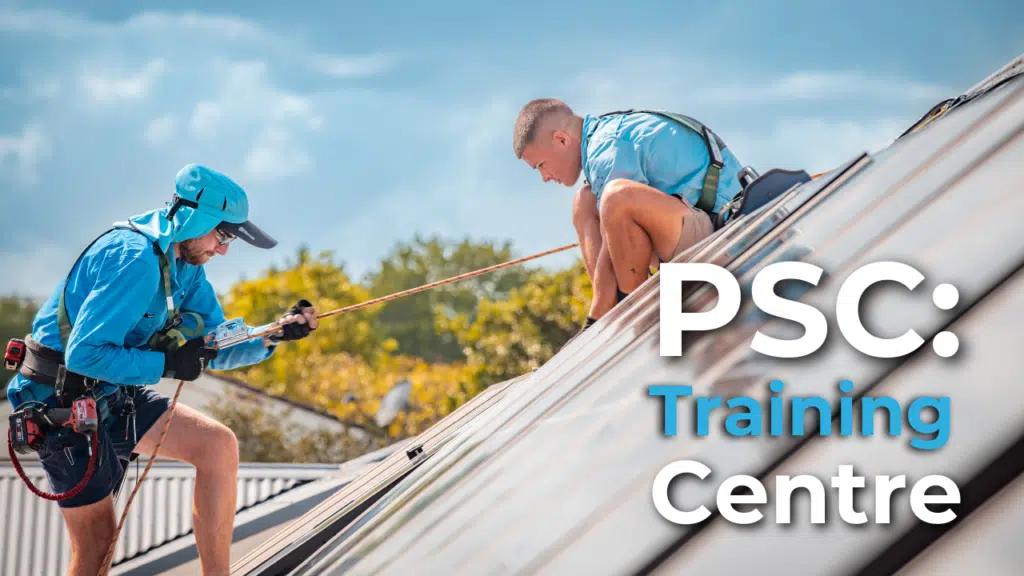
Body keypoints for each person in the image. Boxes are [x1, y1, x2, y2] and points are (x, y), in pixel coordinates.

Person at [5, 163, 318, 576]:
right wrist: (168, 362)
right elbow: (84, 355)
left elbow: (212, 345)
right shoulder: (133, 258)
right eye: (223, 235)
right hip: (60, 401)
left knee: (217, 447)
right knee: (98, 540)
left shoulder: (188, 267)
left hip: (113, 392)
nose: (224, 249)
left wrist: (272, 334)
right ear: (194, 219)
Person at [512, 98, 746, 330]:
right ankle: (614, 309)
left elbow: (613, 234)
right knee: (585, 201)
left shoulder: (606, 145)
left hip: (724, 230)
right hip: (688, 224)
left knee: (616, 197)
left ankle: (633, 315)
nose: (545, 177)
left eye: (541, 165)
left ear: (561, 139)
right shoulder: (601, 137)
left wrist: (593, 322)